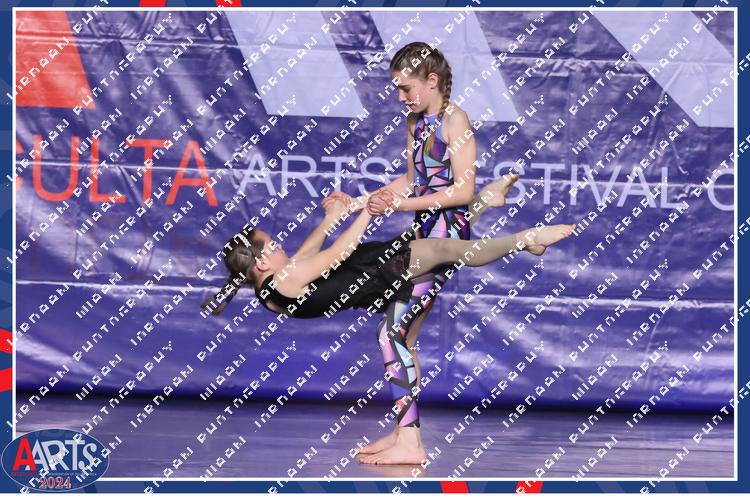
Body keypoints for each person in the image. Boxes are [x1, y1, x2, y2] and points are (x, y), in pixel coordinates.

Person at [201, 181, 577, 465]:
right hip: (384, 272)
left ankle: (490, 209)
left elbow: (306, 252)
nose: (280, 245)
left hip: (380, 278)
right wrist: (367, 212)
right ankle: (521, 234)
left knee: (424, 284)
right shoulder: (284, 278)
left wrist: (331, 218)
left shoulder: (269, 290)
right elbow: (339, 252)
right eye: (272, 246)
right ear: (262, 262)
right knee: (442, 251)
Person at [326, 41, 488, 463]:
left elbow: (463, 191)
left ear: (432, 81)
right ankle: (403, 432)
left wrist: (402, 206)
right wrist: (361, 202)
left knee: (390, 334)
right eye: (397, 89)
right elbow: (411, 180)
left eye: (406, 88)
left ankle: (411, 443)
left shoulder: (456, 120)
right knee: (404, 337)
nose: (401, 97)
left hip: (445, 236)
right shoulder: (415, 122)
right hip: (423, 232)